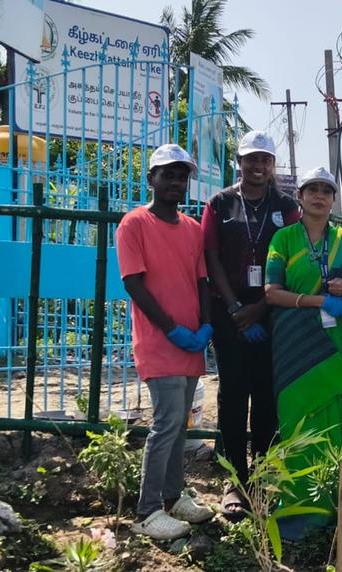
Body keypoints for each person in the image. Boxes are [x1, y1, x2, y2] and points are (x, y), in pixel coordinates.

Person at [116, 143, 216, 540]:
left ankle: (173, 497)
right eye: (168, 174)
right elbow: (133, 284)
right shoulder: (134, 224)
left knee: (180, 424)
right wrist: (171, 328)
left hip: (191, 342)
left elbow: (202, 281)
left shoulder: (192, 229)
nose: (176, 181)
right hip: (160, 341)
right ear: (151, 179)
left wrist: (205, 326)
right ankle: (147, 511)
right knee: (166, 423)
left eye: (182, 175)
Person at [201, 131, 300, 521]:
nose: (258, 166)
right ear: (239, 162)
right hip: (229, 315)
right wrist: (235, 308)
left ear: (272, 165)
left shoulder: (286, 206)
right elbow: (211, 257)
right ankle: (233, 481)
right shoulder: (220, 203)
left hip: (271, 314)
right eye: (251, 159)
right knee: (232, 396)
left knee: (265, 397)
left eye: (265, 160)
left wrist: (259, 309)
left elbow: (294, 260)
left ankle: (261, 477)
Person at [263, 167, 342, 539]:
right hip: (294, 342)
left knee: (337, 417)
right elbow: (271, 292)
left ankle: (336, 503)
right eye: (312, 190)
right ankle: (297, 509)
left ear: (334, 200)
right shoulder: (284, 239)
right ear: (300, 197)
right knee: (297, 418)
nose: (319, 196)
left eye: (326, 190)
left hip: (336, 341)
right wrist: (319, 300)